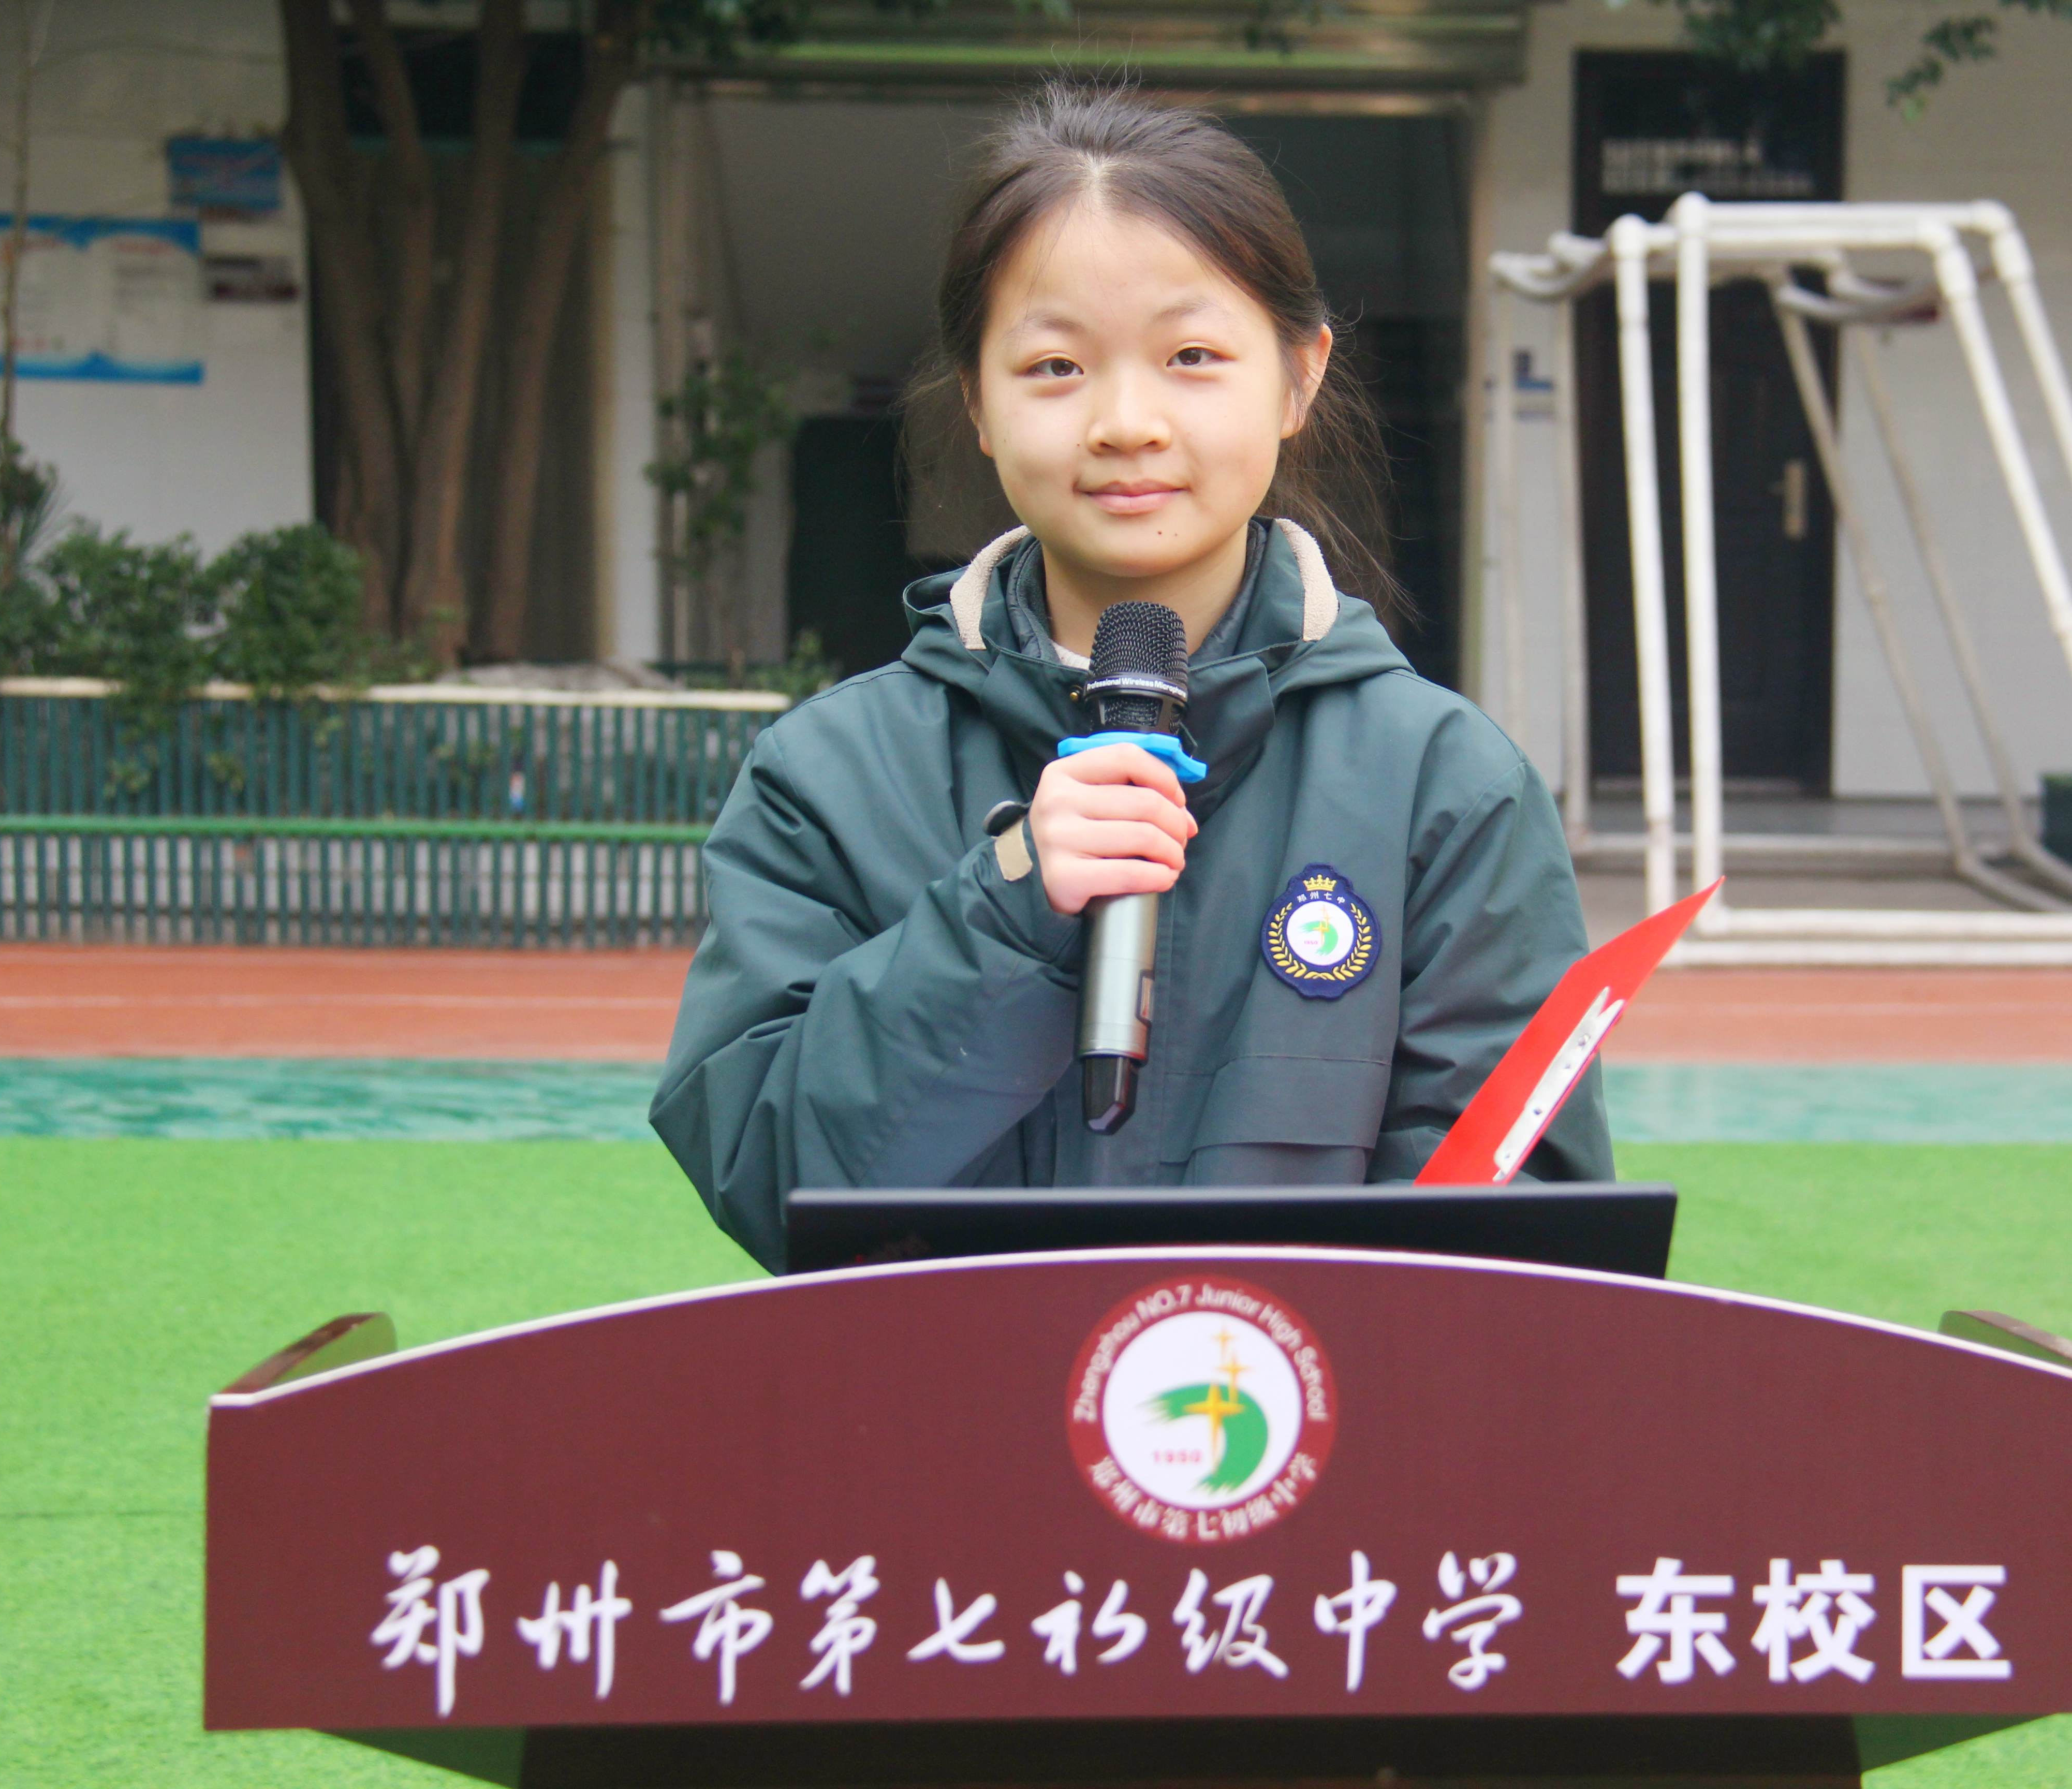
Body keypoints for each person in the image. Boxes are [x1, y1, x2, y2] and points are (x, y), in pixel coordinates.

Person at [653, 84, 1611, 1271]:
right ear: (980, 401)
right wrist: (1007, 904)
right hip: (957, 1394)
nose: (1125, 422)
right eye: (1056, 365)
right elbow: (767, 1172)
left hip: (1282, 1394)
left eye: (1191, 356)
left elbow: (1517, 1240)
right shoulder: (829, 777)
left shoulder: (1445, 786)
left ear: (1299, 376)